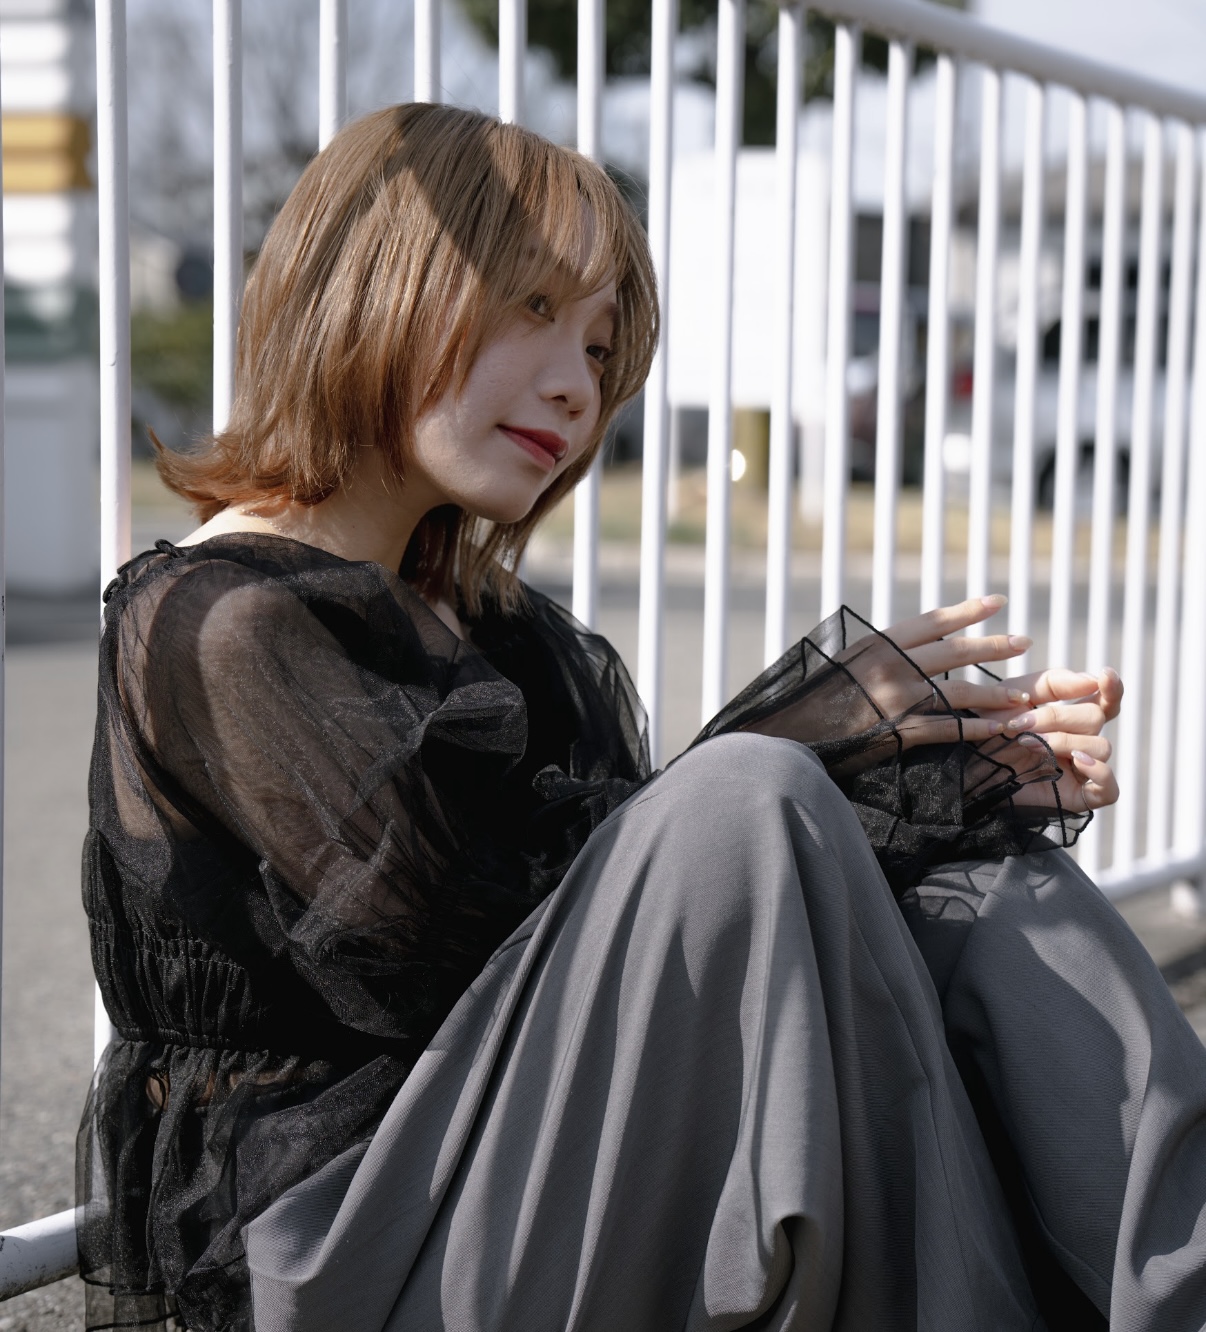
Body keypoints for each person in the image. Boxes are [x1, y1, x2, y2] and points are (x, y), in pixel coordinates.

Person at [76, 102, 1206, 1332]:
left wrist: (936, 780)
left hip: (527, 1179)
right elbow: (483, 961)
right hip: (351, 1247)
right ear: (375, 285)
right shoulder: (221, 623)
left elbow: (637, 922)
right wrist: (806, 743)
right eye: (532, 309)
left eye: (602, 348)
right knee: (751, 795)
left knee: (980, 882)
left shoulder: (504, 632)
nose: (576, 385)